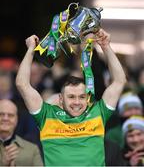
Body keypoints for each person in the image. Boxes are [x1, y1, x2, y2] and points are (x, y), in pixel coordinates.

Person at [16, 28, 126, 166]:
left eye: (81, 96)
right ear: (61, 99)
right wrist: (31, 50)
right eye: (71, 97)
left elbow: (119, 81)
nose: (77, 102)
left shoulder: (98, 112)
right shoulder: (47, 115)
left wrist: (106, 46)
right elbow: (22, 84)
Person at [0, 99, 43, 166]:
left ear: (17, 120)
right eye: (1, 114)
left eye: (10, 115)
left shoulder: (32, 149)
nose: (5, 118)